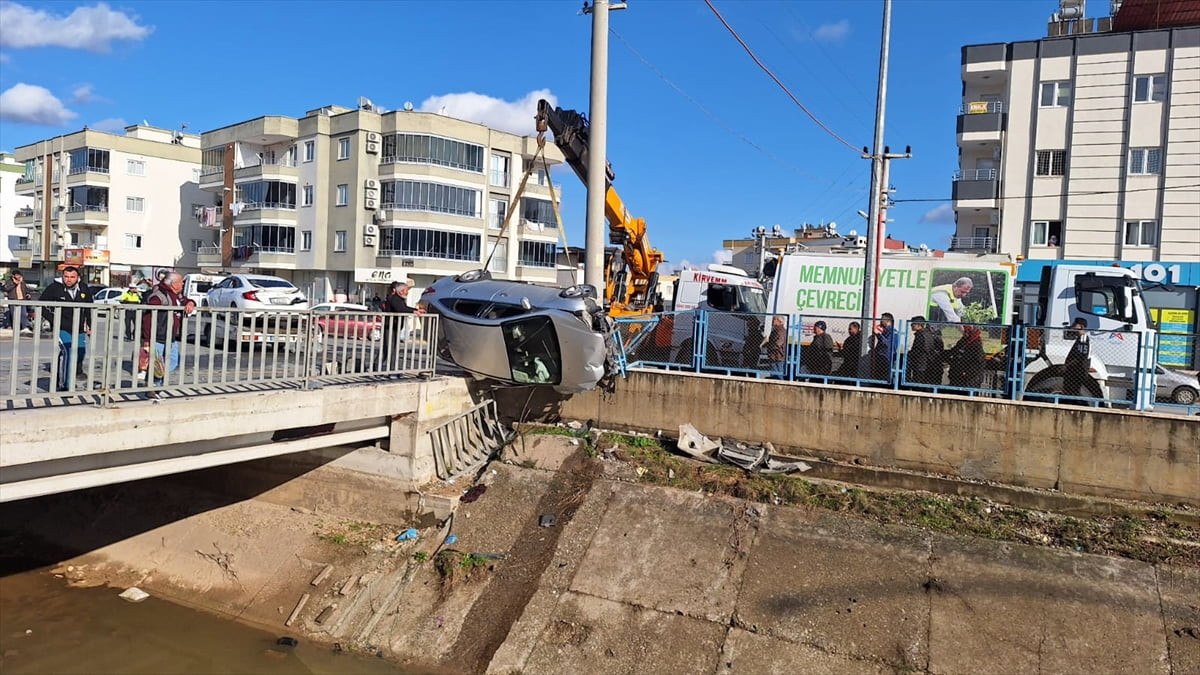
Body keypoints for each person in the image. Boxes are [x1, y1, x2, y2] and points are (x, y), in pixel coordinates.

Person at [142, 272, 196, 399]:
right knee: (157, 364)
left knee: (171, 362)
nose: (183, 284)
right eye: (181, 282)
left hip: (170, 336)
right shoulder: (158, 296)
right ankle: (152, 387)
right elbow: (148, 318)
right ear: (173, 284)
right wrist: (147, 339)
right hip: (158, 336)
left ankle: (156, 385)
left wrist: (191, 302)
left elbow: (184, 300)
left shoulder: (176, 294)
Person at [39, 266, 93, 390]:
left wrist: (89, 324)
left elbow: (89, 307)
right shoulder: (54, 288)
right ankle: (64, 384)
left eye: (72, 277)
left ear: (78, 278)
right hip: (62, 327)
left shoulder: (83, 288)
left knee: (80, 353)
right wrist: (54, 319)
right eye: (66, 277)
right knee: (67, 352)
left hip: (79, 327)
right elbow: (41, 304)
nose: (69, 279)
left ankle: (66, 373)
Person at [380, 281, 424, 368]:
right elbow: (400, 309)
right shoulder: (393, 298)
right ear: (399, 291)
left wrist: (416, 310)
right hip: (390, 326)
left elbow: (404, 308)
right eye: (406, 290)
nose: (407, 292)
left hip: (396, 326)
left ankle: (386, 368)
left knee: (391, 348)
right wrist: (414, 311)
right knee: (389, 348)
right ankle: (384, 368)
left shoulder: (400, 299)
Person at [907, 315, 945, 386]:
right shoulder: (925, 333)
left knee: (918, 383)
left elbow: (923, 349)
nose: (911, 325)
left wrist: (912, 354)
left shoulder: (922, 335)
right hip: (923, 364)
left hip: (921, 364)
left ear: (919, 325)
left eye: (913, 324)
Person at [945, 324, 985, 389]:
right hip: (958, 374)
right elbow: (954, 351)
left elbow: (979, 363)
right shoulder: (964, 341)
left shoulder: (976, 345)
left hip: (970, 378)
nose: (964, 334)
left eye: (965, 332)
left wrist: (966, 372)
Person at [1063, 317, 1091, 398]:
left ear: (1081, 327)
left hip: (1077, 371)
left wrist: (1066, 366)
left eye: (1075, 325)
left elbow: (1080, 357)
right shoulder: (1079, 338)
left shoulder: (1083, 339)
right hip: (1073, 370)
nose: (1073, 327)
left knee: (1072, 393)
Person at [2, 270, 34, 334]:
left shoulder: (22, 282)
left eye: (19, 275)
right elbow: (7, 289)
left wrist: (28, 294)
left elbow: (26, 289)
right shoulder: (9, 282)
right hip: (13, 300)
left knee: (24, 314)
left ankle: (24, 327)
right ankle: (15, 327)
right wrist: (15, 284)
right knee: (14, 314)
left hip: (22, 300)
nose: (18, 276)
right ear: (13, 276)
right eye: (17, 275)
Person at [869, 313, 897, 381]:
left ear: (888, 321)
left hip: (885, 358)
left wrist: (878, 334)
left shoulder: (891, 331)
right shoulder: (886, 331)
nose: (880, 322)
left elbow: (886, 343)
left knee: (883, 378)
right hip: (882, 357)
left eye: (882, 320)